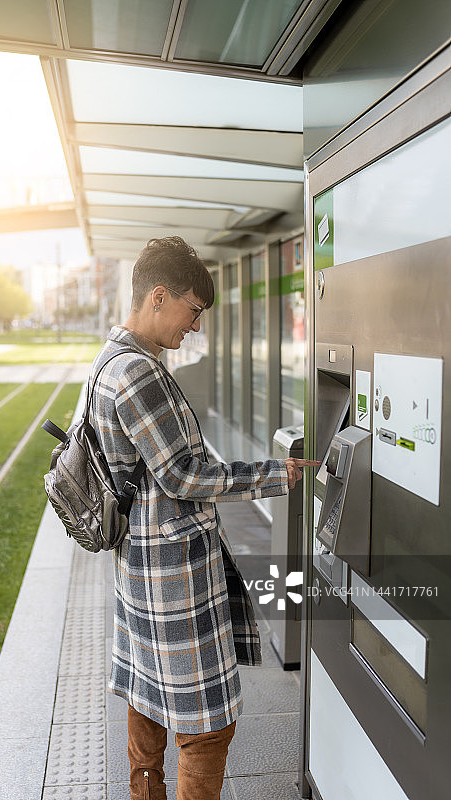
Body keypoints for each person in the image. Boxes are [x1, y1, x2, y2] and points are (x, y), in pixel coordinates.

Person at [89, 236, 319, 800]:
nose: (195, 326)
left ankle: (146, 791)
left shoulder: (110, 361)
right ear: (159, 297)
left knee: (149, 699)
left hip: (142, 563)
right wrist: (277, 475)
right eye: (193, 311)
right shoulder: (139, 373)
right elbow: (184, 476)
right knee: (209, 728)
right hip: (171, 575)